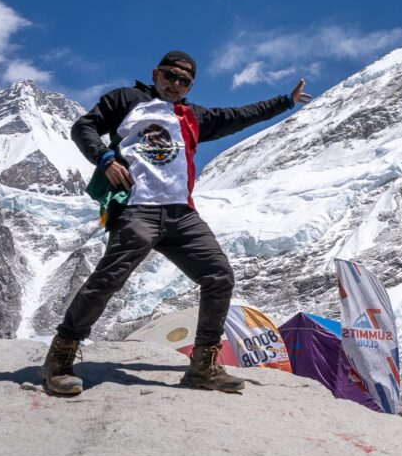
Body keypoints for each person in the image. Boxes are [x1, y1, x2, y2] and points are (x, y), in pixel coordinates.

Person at [40, 50, 312, 396]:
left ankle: (203, 365)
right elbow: (84, 126)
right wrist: (106, 158)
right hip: (138, 209)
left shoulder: (192, 115)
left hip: (181, 215)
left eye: (184, 81)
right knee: (108, 279)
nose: (175, 85)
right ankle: (59, 358)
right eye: (170, 76)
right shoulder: (127, 100)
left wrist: (285, 101)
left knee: (219, 276)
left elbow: (240, 115)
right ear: (156, 73)